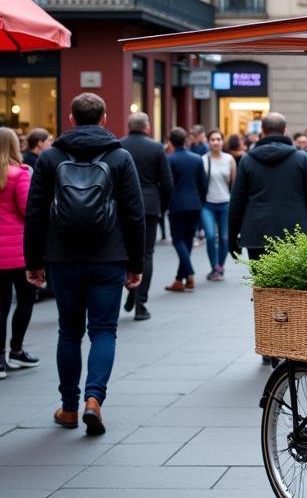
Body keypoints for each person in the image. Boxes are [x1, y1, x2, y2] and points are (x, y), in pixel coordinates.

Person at [23, 92, 145, 436]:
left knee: (69, 332)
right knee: (104, 330)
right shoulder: (120, 156)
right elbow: (135, 216)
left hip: (62, 257)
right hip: (109, 256)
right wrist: (136, 263)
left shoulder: (50, 157)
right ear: (104, 118)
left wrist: (33, 260)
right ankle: (95, 399)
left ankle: (69, 407)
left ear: (71, 118)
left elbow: (35, 213)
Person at [229, 111, 307, 263]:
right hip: (294, 232)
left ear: (263, 132)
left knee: (262, 284)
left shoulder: (247, 160)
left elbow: (236, 203)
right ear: (285, 131)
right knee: (291, 285)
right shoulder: (301, 158)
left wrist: (232, 239)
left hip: (257, 234)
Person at [119, 112, 173, 321]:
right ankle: (141, 303)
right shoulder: (156, 148)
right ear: (147, 127)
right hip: (149, 206)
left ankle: (132, 291)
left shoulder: (119, 146)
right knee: (146, 254)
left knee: (126, 252)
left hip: (123, 206)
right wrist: (162, 207)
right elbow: (167, 183)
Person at [0, 127, 37, 378]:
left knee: (0, 305)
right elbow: (28, 210)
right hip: (18, 252)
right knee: (25, 299)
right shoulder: (19, 174)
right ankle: (16, 349)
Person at [165, 127, 207, 292]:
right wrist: (200, 201)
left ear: (170, 142)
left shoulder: (170, 159)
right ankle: (179, 279)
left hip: (177, 205)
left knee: (178, 240)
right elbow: (203, 184)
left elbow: (167, 185)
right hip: (194, 204)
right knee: (187, 241)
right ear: (186, 140)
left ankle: (189, 273)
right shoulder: (197, 159)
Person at [200, 129, 235, 281]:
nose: (215, 142)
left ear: (222, 141)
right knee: (210, 236)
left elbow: (234, 183)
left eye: (218, 139)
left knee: (225, 238)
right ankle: (214, 267)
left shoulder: (229, 159)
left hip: (225, 203)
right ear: (208, 142)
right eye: (213, 139)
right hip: (207, 204)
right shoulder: (202, 159)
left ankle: (220, 267)